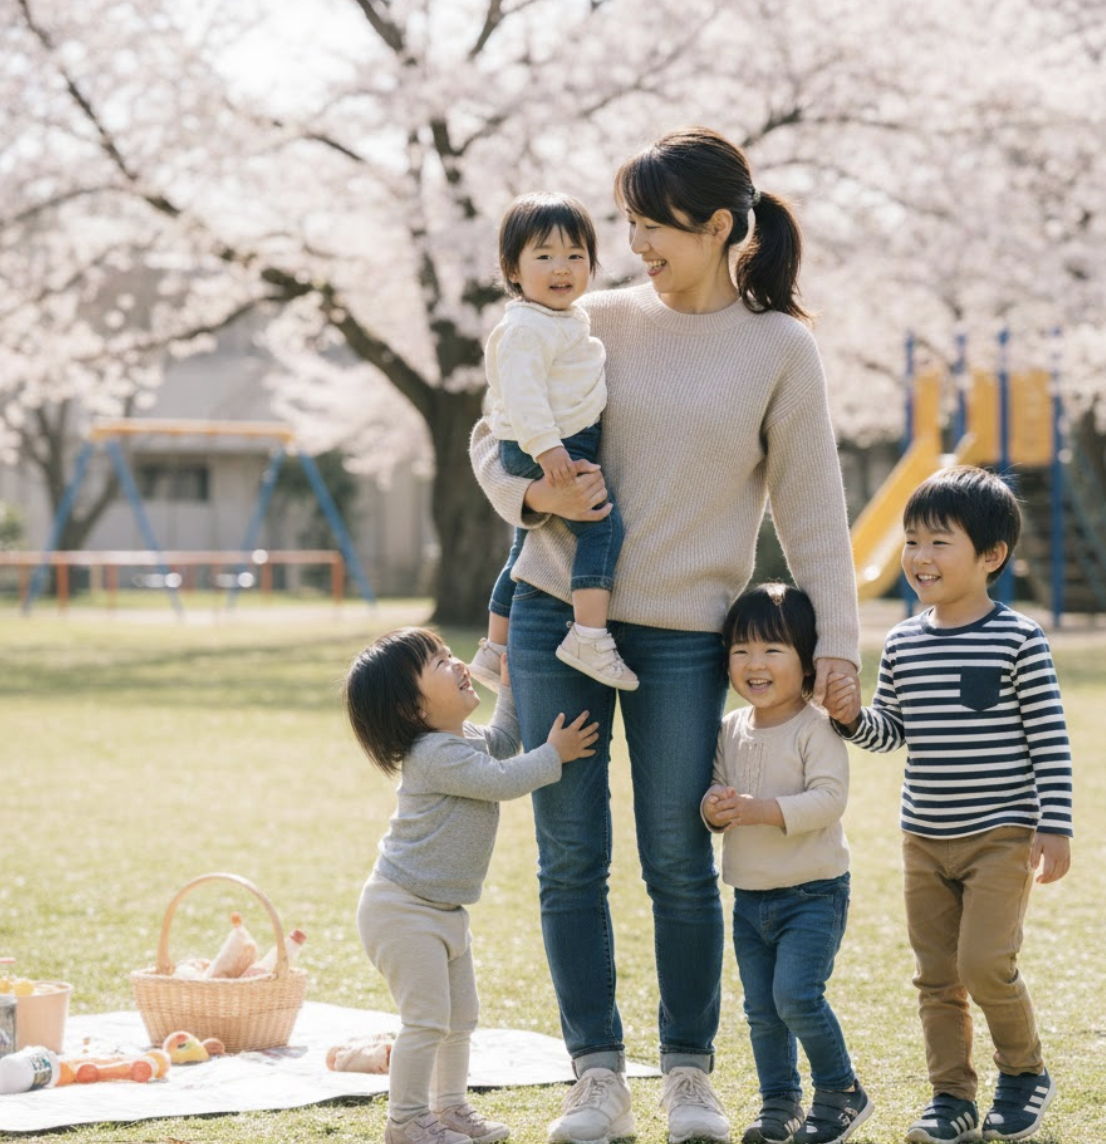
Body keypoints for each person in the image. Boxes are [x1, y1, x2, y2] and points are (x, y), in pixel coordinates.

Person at [469, 126, 861, 1144]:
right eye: (629, 223)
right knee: (567, 856)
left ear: (721, 227)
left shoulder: (778, 347)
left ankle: (687, 1071)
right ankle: (593, 1074)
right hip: (559, 614)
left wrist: (837, 647)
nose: (633, 243)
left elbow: (812, 511)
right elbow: (491, 432)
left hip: (687, 635)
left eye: (654, 226)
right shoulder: (584, 316)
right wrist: (529, 491)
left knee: (680, 861)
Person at [825, 466, 1074, 1144]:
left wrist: (1054, 825)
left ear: (991, 556)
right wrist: (850, 720)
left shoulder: (1017, 639)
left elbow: (1050, 740)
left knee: (983, 963)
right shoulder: (903, 642)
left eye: (939, 542)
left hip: (1001, 834)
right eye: (911, 541)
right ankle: (951, 1097)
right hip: (924, 839)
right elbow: (892, 732)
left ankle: (1024, 1073)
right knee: (935, 976)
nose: (919, 557)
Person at [345, 627, 599, 1144]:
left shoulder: (462, 740)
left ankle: (452, 1108)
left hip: (444, 910)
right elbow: (502, 780)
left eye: (446, 652)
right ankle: (407, 1121)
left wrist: (508, 689)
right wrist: (555, 753)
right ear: (411, 710)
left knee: (460, 1019)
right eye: (437, 663)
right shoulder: (433, 755)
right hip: (402, 909)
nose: (457, 662)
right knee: (426, 1021)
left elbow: (503, 742)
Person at [703, 584, 871, 1144]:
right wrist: (715, 809)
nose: (755, 664)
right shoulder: (731, 727)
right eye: (741, 650)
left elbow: (830, 799)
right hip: (750, 897)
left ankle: (840, 1091)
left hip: (812, 894)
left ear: (806, 663)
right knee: (761, 1011)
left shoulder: (816, 726)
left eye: (773, 650)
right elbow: (718, 795)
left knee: (797, 996)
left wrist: (760, 810)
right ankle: (779, 1103)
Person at [468, 192, 637, 694]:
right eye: (543, 256)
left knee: (525, 546)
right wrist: (548, 450)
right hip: (551, 444)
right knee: (602, 526)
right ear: (513, 270)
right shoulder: (525, 326)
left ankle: (494, 646)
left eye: (575, 256)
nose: (561, 268)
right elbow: (520, 395)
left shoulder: (560, 318)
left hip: (556, 439)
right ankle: (588, 635)